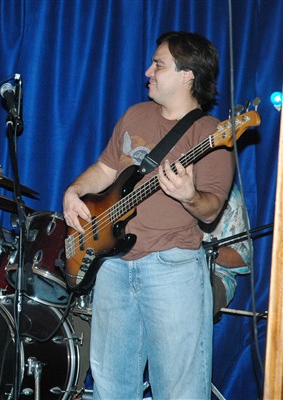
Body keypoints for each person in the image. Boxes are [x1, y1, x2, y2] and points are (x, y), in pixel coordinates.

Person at [62, 31, 235, 398]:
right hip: (114, 265)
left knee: (179, 389)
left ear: (187, 75)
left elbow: (211, 210)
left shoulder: (211, 134)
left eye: (158, 65)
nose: (147, 72)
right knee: (111, 386)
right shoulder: (134, 115)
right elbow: (105, 169)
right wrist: (73, 191)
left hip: (172, 270)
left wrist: (189, 196)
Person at [201, 185, 251, 318]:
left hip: (214, 274)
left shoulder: (228, 195)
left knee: (186, 297)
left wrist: (210, 249)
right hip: (160, 267)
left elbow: (244, 260)